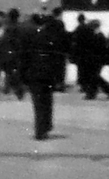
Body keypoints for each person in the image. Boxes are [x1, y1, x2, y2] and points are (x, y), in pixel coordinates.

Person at [15, 9, 69, 140]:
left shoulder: (31, 37)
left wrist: (22, 76)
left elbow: (24, 57)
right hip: (48, 74)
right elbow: (59, 60)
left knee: (38, 102)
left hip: (34, 73)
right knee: (47, 101)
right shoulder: (53, 40)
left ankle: (40, 129)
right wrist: (60, 78)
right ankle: (45, 125)